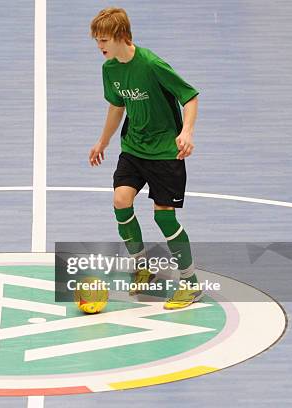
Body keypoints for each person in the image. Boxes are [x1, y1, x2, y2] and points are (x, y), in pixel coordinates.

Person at [88, 8, 201, 309]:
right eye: (97, 40)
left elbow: (188, 96)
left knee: (163, 216)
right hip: (134, 148)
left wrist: (187, 132)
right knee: (121, 201)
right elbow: (117, 106)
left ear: (121, 36)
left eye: (104, 40)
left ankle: (190, 284)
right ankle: (142, 267)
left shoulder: (151, 64)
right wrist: (103, 141)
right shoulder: (110, 68)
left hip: (165, 151)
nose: (100, 46)